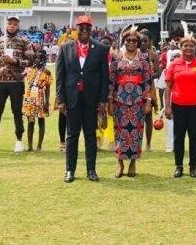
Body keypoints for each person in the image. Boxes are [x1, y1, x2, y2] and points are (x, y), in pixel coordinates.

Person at [56, 15, 110, 183]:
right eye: (81, 27)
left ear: (92, 29)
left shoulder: (101, 49)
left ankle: (91, 170)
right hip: (72, 98)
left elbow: (105, 77)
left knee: (90, 135)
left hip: (91, 99)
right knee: (72, 136)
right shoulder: (65, 48)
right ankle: (70, 170)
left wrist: (103, 100)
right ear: (76, 29)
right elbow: (60, 76)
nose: (85, 30)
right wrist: (60, 99)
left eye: (88, 27)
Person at [0, 16, 34, 153]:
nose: (12, 26)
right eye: (9, 23)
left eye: (15, 24)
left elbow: (30, 61)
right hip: (0, 81)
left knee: (17, 111)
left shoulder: (25, 41)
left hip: (16, 82)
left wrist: (15, 61)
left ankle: (19, 140)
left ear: (18, 26)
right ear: (6, 24)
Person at [164, 27, 196, 178]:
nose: (188, 48)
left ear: (195, 47)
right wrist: (168, 106)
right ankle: (179, 165)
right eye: (185, 45)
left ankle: (193, 166)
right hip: (178, 105)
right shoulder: (174, 64)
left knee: (194, 137)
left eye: (191, 45)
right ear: (180, 47)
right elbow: (168, 87)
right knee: (179, 137)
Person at [109, 26, 152, 178]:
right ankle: (120, 163)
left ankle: (133, 162)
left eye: (134, 40)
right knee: (119, 132)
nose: (131, 43)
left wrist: (148, 101)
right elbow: (111, 81)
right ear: (124, 41)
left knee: (136, 132)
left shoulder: (144, 58)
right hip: (119, 100)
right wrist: (110, 101)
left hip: (138, 101)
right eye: (128, 40)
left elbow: (148, 82)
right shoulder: (116, 58)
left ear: (138, 42)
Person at [22, 49, 52, 152]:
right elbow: (21, 76)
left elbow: (48, 88)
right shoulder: (30, 70)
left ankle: (39, 146)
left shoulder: (47, 72)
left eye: (38, 58)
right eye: (35, 58)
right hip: (30, 97)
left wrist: (47, 102)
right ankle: (30, 146)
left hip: (40, 97)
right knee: (30, 122)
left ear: (43, 59)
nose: (35, 60)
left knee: (41, 121)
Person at [139, 30, 162, 152]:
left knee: (148, 117)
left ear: (149, 42)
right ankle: (137, 143)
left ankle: (148, 144)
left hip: (149, 88)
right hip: (136, 87)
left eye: (145, 41)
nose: (143, 43)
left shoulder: (153, 55)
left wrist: (149, 76)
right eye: (141, 41)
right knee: (137, 117)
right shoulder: (134, 53)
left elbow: (158, 72)